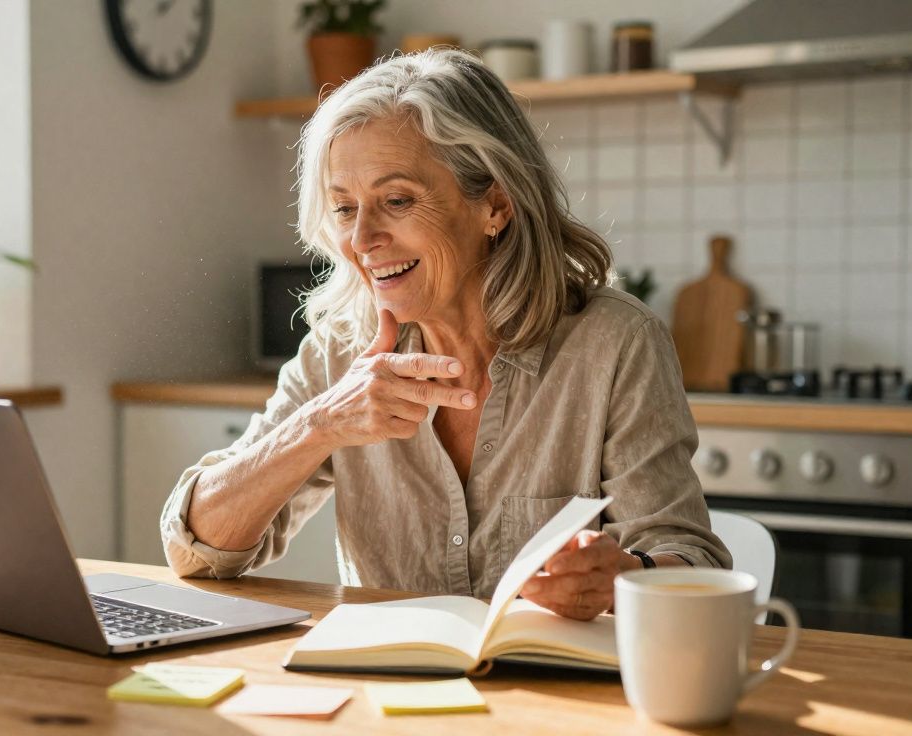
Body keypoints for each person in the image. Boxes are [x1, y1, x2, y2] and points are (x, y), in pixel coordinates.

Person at [160, 49, 729, 621]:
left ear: (495, 206)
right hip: (387, 695)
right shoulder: (341, 351)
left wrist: (622, 577)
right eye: (344, 208)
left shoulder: (615, 344)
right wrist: (321, 423)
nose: (361, 239)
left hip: (556, 701)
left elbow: (692, 565)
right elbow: (194, 551)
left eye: (397, 200)